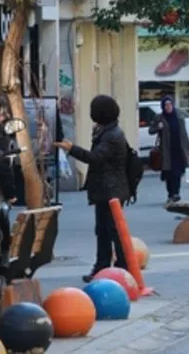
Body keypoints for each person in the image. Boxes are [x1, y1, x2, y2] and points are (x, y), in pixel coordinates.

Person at [57, 95, 131, 282]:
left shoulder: (112, 136)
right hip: (106, 190)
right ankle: (103, 267)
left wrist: (72, 148)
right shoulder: (107, 131)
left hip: (111, 191)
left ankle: (121, 268)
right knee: (104, 231)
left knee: (112, 231)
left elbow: (95, 158)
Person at [150, 95, 189, 203]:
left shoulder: (179, 116)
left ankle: (176, 193)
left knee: (177, 172)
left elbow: (184, 134)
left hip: (179, 148)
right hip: (166, 151)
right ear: (163, 106)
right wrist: (157, 127)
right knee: (169, 173)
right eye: (166, 105)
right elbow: (151, 130)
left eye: (170, 104)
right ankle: (170, 194)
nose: (168, 107)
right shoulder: (159, 117)